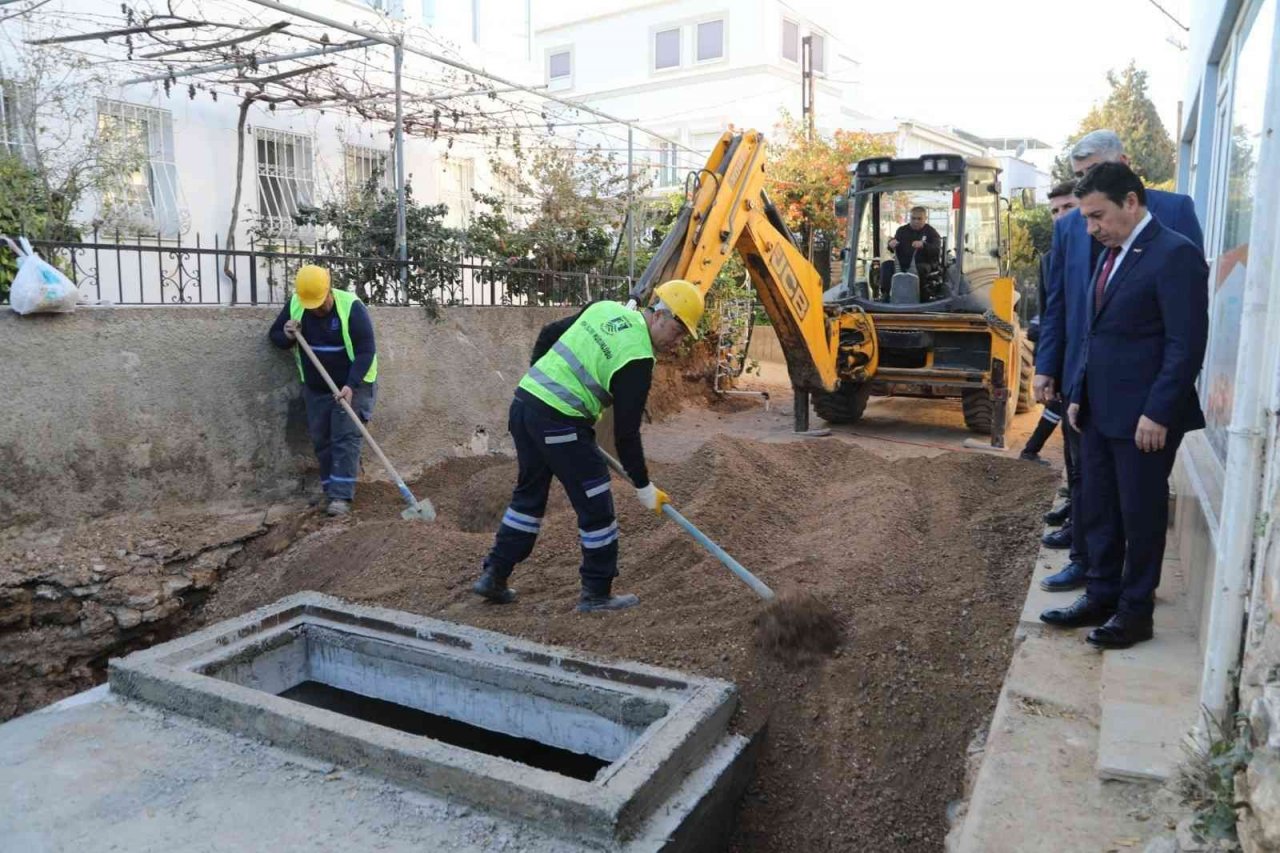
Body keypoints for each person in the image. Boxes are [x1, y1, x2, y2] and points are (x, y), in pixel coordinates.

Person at [1039, 163, 1208, 648]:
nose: (1090, 228)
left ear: (1131, 203)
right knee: (1099, 509)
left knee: (1141, 514)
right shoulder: (1110, 253)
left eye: (1097, 216)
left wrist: (1157, 411)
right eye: (1087, 218)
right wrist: (1081, 395)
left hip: (1144, 420)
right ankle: (1101, 594)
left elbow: (1186, 345)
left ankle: (1135, 613)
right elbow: (1096, 332)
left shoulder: (1175, 255)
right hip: (1097, 410)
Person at [471, 280, 705, 614]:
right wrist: (643, 485)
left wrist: (540, 383)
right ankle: (596, 593)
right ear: (661, 315)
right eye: (679, 331)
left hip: (524, 407)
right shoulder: (637, 357)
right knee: (596, 506)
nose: (678, 342)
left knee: (528, 497)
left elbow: (549, 334)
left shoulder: (603, 308)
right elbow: (626, 433)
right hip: (559, 421)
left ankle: (494, 574)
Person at [268, 265, 378, 517]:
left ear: (329, 290)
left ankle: (341, 498)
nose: (316, 309)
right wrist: (287, 335)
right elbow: (275, 337)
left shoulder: (351, 307)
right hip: (316, 387)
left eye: (320, 303)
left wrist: (350, 385)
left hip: (354, 383)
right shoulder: (297, 304)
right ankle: (330, 492)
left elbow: (365, 350)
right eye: (312, 305)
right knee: (322, 439)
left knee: (345, 437)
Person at [1020, 181, 1079, 472]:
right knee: (1071, 438)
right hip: (1065, 366)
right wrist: (1047, 367)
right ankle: (1074, 503)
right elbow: (1051, 314)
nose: (1061, 216)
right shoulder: (1049, 261)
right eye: (1055, 210)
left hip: (1097, 367)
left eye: (1069, 207)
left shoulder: (1108, 252)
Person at [881, 206, 942, 299]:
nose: (916, 221)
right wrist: (891, 244)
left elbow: (936, 250)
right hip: (902, 263)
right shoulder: (902, 230)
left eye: (919, 219)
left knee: (919, 269)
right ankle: (886, 295)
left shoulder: (931, 232)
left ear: (925, 218)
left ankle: (920, 297)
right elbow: (892, 246)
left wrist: (924, 245)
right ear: (910, 218)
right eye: (913, 218)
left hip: (923, 263)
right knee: (886, 265)